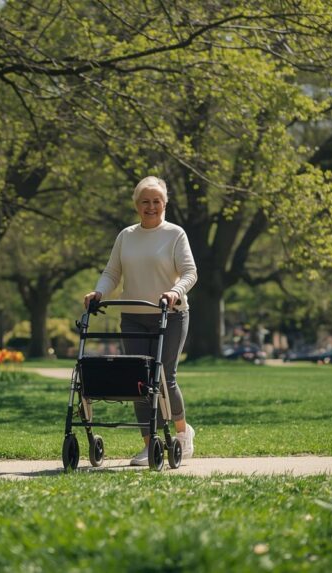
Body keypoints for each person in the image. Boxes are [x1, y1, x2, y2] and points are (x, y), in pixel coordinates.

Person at [83, 176, 198, 466]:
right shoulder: (126, 236)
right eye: (145, 201)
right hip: (133, 315)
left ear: (165, 203)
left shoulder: (175, 234)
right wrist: (99, 291)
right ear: (136, 205)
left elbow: (189, 272)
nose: (151, 206)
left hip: (169, 315)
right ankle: (150, 443)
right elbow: (112, 273)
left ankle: (182, 432)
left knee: (164, 377)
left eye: (156, 201)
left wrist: (174, 292)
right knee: (138, 380)